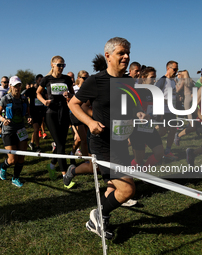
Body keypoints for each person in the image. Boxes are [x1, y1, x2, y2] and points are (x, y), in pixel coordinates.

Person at [68, 37, 142, 239]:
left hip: (119, 141)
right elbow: (74, 104)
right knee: (127, 189)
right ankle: (98, 215)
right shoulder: (95, 80)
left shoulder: (128, 81)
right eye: (121, 53)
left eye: (128, 53)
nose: (126, 56)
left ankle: (101, 220)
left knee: (112, 186)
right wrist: (90, 123)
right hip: (102, 144)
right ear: (108, 56)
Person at [36, 55, 76, 188]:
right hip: (51, 114)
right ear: (52, 65)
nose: (61, 67)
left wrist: (69, 96)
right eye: (59, 65)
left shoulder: (66, 79)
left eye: (63, 65)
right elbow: (38, 93)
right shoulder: (46, 79)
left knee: (61, 143)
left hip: (64, 113)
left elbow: (73, 95)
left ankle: (52, 165)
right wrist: (44, 102)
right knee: (60, 144)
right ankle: (65, 175)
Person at [0, 76, 32, 187]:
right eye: (15, 86)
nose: (18, 88)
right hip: (8, 131)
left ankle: (15, 178)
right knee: (12, 160)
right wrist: (3, 119)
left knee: (21, 157)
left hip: (21, 130)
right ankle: (3, 166)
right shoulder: (5, 99)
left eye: (19, 85)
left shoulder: (24, 99)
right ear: (10, 86)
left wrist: (29, 117)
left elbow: (28, 113)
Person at [155, 61, 179, 160]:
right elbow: (155, 94)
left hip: (172, 111)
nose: (176, 71)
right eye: (174, 69)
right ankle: (147, 140)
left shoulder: (173, 81)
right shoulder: (162, 80)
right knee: (162, 132)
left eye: (177, 69)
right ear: (168, 68)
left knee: (173, 130)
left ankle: (168, 151)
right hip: (163, 111)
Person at [24, 74, 45, 152]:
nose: (41, 82)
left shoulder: (44, 90)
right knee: (36, 129)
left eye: (42, 81)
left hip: (41, 112)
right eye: (39, 80)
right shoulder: (31, 90)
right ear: (36, 81)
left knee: (36, 129)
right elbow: (24, 97)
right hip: (33, 112)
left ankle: (32, 142)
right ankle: (38, 147)